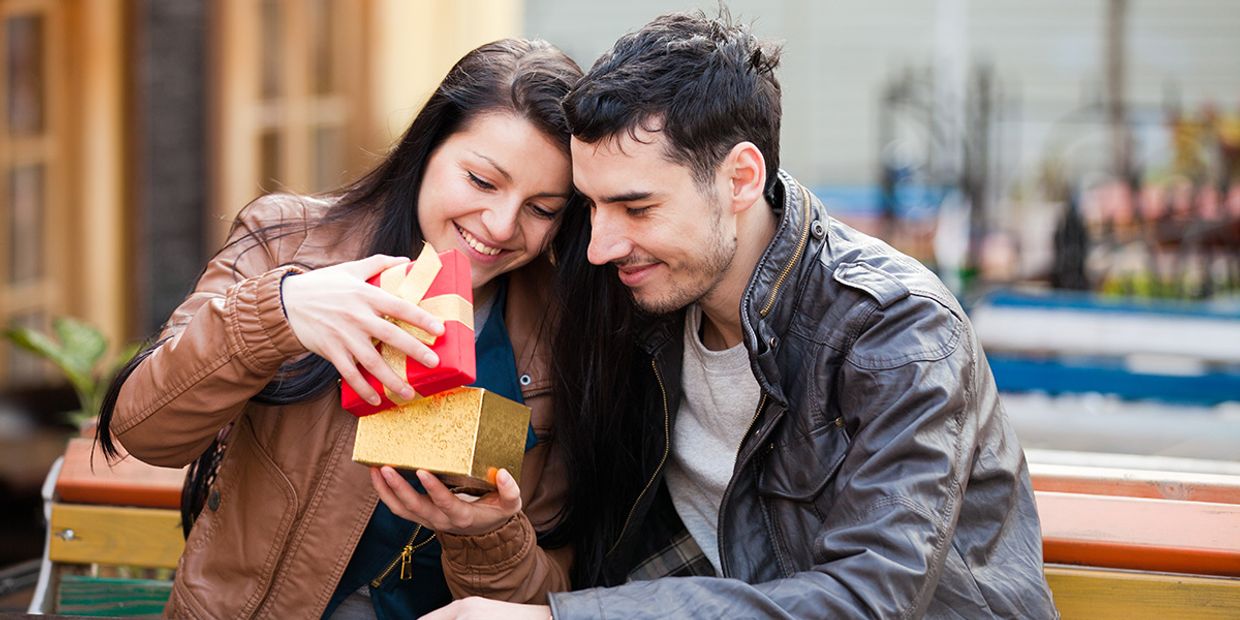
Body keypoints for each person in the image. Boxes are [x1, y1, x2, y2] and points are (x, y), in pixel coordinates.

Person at [432, 11, 1058, 619]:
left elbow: (866, 601)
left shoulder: (897, 331)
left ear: (740, 179)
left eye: (638, 208)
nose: (600, 245)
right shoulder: (641, 302)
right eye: (591, 207)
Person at [97, 39, 583, 618]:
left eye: (543, 208)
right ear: (426, 149)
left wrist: (489, 533)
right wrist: (281, 311)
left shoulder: (565, 330)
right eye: (482, 181)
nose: (501, 226)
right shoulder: (287, 240)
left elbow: (549, 595)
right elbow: (146, 432)